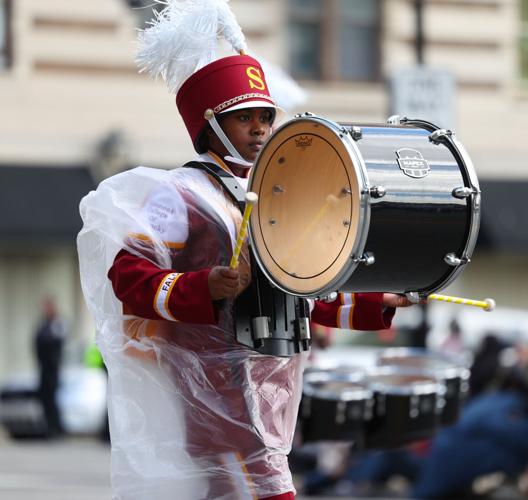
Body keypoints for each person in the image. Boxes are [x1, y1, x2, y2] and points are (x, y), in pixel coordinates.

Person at [77, 2, 413, 498]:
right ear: (209, 125)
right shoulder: (179, 195)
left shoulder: (273, 193)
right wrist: (203, 285)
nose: (260, 128)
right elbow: (128, 278)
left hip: (271, 387)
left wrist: (375, 302)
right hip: (211, 392)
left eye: (265, 116)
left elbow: (297, 289)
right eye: (244, 118)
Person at [34, 296, 66, 438]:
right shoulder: (44, 324)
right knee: (45, 398)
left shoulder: (57, 323)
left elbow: (57, 341)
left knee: (52, 399)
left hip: (52, 368)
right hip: (44, 367)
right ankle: (49, 427)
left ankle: (55, 429)